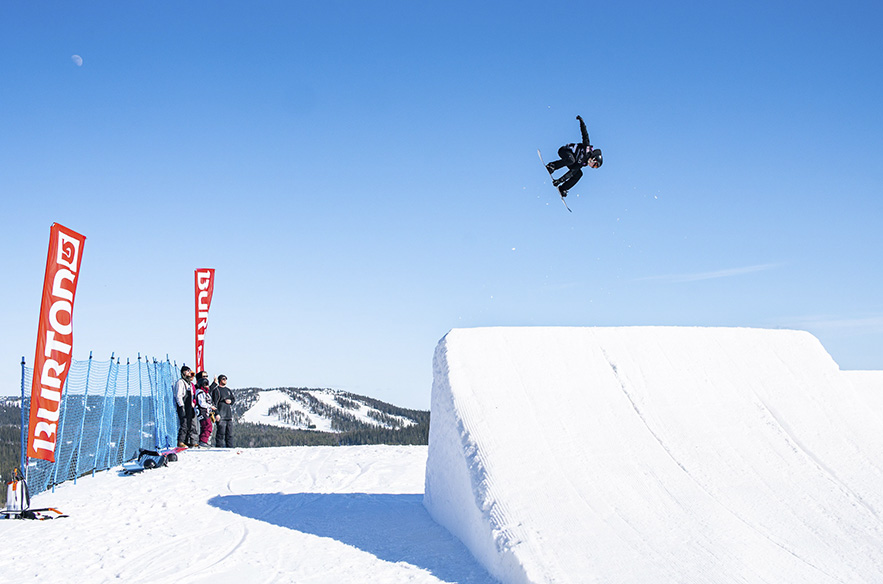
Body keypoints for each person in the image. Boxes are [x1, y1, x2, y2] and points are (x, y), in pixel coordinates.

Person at [544, 115, 603, 197]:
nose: (593, 167)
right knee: (571, 160)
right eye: (595, 165)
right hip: (565, 151)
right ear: (594, 159)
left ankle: (563, 188)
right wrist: (581, 122)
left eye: (595, 167)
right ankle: (552, 166)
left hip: (571, 160)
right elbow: (585, 134)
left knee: (579, 174)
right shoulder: (587, 149)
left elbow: (572, 172)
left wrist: (559, 181)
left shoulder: (583, 163)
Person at [210, 374, 236, 448]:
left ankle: (230, 448)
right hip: (221, 415)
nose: (225, 380)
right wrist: (217, 414)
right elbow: (214, 403)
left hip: (228, 415)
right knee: (221, 433)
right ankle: (219, 448)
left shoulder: (228, 390)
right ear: (219, 380)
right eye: (223, 379)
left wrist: (230, 401)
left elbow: (233, 399)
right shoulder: (216, 390)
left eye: (226, 379)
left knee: (230, 434)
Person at [175, 366, 196, 447]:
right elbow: (178, 395)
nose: (189, 373)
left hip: (189, 405)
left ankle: (186, 440)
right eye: (187, 371)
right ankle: (180, 441)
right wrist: (181, 406)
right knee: (184, 423)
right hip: (183, 405)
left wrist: (192, 405)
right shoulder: (180, 382)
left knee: (189, 423)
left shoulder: (189, 384)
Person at [194, 376, 217, 448]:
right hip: (202, 412)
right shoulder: (200, 392)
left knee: (205, 426)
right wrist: (210, 406)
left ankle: (202, 441)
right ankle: (203, 441)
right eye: (205, 384)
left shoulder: (205, 393)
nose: (207, 386)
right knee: (208, 426)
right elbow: (202, 403)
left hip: (205, 412)